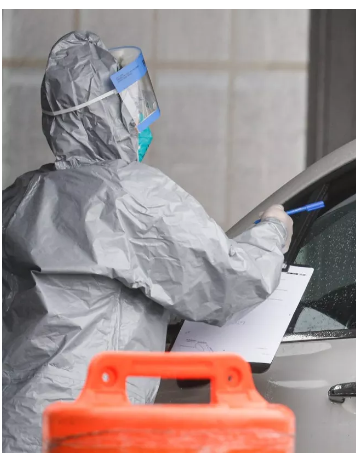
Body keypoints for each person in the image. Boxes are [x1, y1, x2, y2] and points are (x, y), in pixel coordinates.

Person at [2, 31, 293, 453]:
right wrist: (272, 232)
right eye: (129, 106)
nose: (140, 121)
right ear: (105, 116)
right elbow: (229, 282)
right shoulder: (128, 193)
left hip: (16, 421)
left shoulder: (21, 196)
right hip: (85, 424)